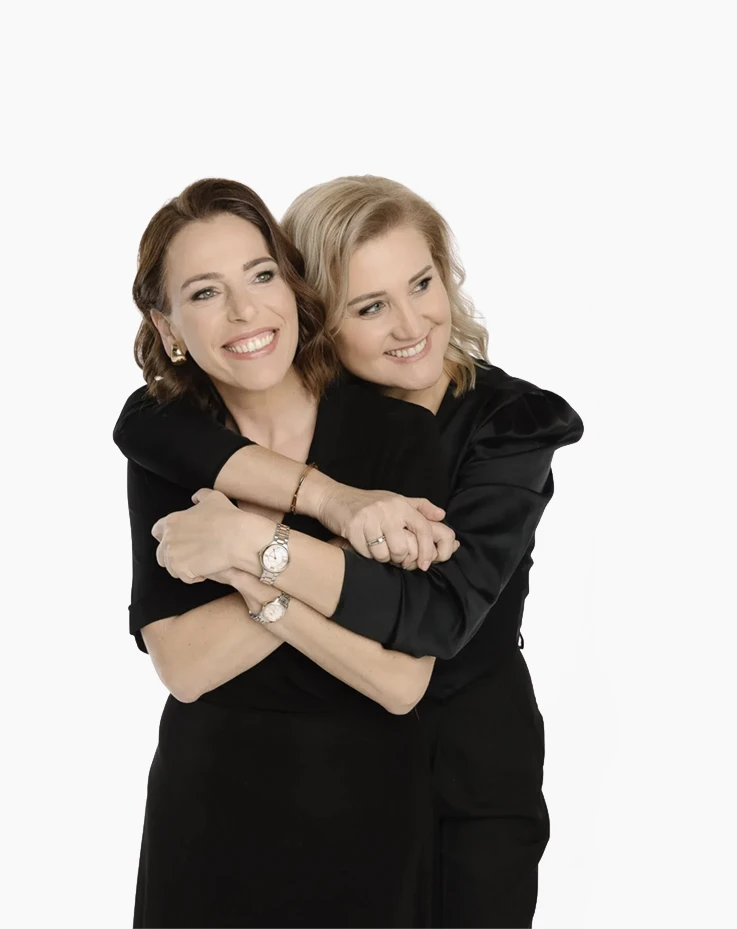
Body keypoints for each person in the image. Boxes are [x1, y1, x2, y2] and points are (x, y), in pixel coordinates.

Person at [115, 175, 584, 929]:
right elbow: (148, 426)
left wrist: (247, 547)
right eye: (369, 306)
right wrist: (337, 513)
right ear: (321, 314)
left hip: (467, 763)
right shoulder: (190, 429)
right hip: (284, 781)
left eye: (421, 283)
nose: (411, 324)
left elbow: (428, 623)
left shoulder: (506, 428)